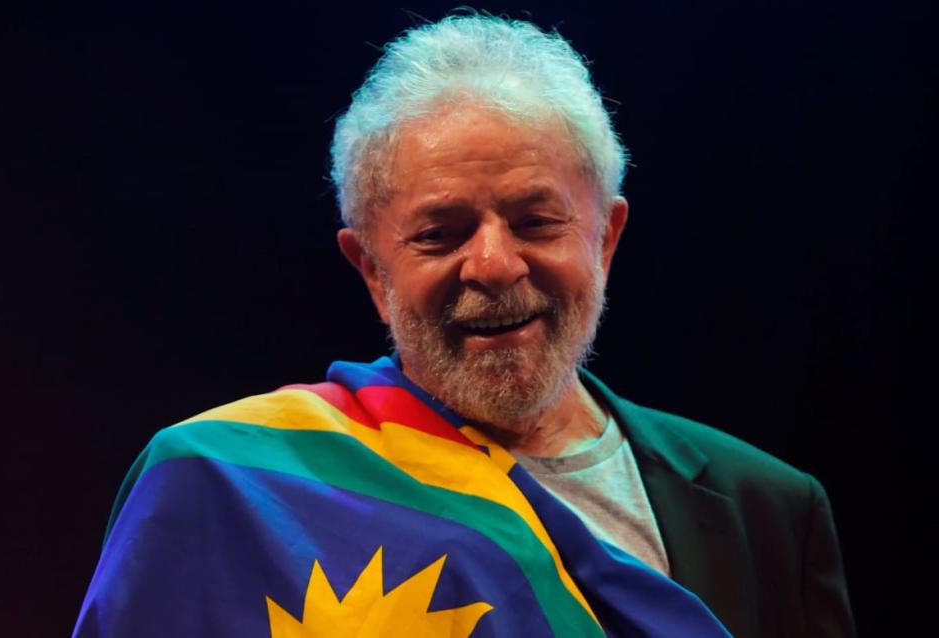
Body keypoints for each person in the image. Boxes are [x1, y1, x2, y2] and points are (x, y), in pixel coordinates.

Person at [74, 14, 854, 638]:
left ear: (605, 239)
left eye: (536, 220)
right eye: (439, 234)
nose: (493, 265)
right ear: (371, 271)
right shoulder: (227, 485)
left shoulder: (770, 510)